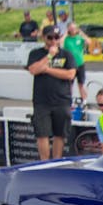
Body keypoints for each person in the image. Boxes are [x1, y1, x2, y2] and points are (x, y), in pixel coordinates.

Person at [26, 25, 76, 160]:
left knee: (60, 134)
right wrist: (49, 56)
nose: (54, 41)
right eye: (50, 38)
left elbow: (70, 74)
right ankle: (44, 162)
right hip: (42, 100)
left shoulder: (67, 54)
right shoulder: (36, 53)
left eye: (57, 37)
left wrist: (47, 70)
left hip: (62, 99)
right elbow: (33, 70)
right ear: (44, 38)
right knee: (42, 134)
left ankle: (56, 161)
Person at [62, 22, 91, 103]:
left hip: (80, 63)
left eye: (74, 28)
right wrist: (65, 34)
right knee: (69, 84)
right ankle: (69, 100)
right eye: (71, 28)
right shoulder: (66, 39)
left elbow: (89, 42)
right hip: (70, 64)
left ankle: (84, 100)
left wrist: (81, 33)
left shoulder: (79, 37)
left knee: (81, 83)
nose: (73, 30)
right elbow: (60, 43)